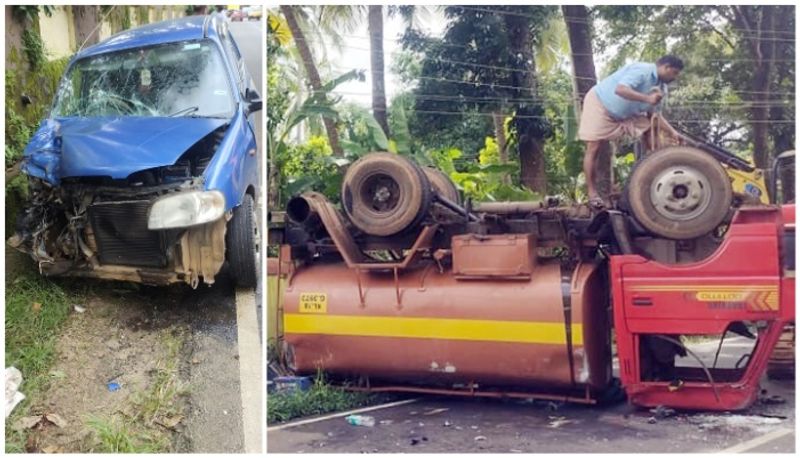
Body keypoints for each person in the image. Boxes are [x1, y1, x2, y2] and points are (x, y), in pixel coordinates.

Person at [578, 55, 685, 209]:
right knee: (593, 147)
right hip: (600, 105)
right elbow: (620, 89)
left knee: (651, 127)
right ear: (666, 67)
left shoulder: (662, 88)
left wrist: (672, 132)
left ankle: (653, 170)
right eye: (674, 73)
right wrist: (647, 99)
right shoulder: (642, 70)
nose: (674, 77)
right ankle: (592, 193)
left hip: (626, 114)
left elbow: (655, 116)